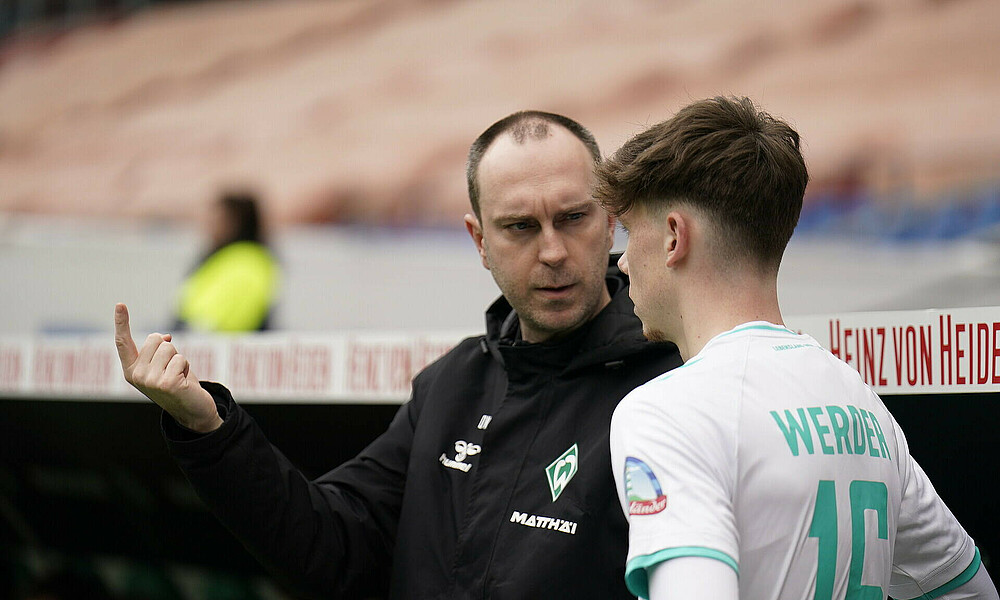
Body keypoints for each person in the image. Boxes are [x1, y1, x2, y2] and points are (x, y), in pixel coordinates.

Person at [113, 111, 682, 599]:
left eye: (573, 218)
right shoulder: (451, 385)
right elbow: (331, 549)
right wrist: (207, 427)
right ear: (480, 241)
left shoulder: (676, 380)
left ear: (612, 221)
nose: (553, 250)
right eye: (520, 227)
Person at [596, 96, 998, 600]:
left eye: (632, 232)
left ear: (674, 236)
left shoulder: (665, 412)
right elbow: (969, 590)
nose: (624, 261)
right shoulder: (861, 403)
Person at [174, 189, 280, 332]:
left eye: (218, 218)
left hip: (216, 346)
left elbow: (229, 322)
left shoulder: (249, 262)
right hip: (192, 337)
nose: (209, 225)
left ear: (237, 223)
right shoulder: (218, 258)